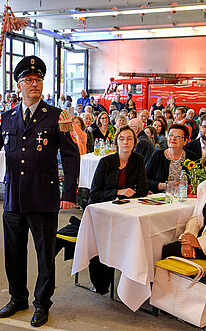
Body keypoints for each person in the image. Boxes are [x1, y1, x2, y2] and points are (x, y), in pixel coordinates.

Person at [0, 56, 80, 328]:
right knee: (13, 252)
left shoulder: (58, 116)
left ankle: (42, 303)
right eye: (28, 80)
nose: (34, 84)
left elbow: (71, 157)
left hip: (43, 197)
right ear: (19, 85)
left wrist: (68, 192)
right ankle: (17, 297)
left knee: (45, 254)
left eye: (38, 80)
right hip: (13, 197)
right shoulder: (7, 117)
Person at [88, 125, 148, 293]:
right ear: (116, 142)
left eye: (129, 138)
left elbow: (143, 190)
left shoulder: (138, 160)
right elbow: (94, 194)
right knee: (107, 239)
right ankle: (101, 283)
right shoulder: (105, 162)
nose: (125, 142)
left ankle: (133, 282)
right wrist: (117, 192)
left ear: (135, 142)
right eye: (122, 138)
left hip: (128, 211)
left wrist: (126, 197)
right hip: (104, 212)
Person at [161, 156, 206, 260]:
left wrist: (199, 243)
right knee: (167, 250)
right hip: (200, 236)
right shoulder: (203, 187)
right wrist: (188, 239)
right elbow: (196, 218)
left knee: (171, 252)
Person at [146, 124, 198, 193]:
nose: (173, 138)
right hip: (161, 198)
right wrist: (163, 185)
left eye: (177, 136)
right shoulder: (157, 155)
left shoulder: (192, 157)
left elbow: (199, 180)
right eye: (170, 135)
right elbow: (144, 180)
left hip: (185, 198)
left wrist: (191, 187)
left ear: (185, 141)